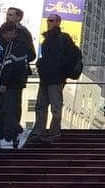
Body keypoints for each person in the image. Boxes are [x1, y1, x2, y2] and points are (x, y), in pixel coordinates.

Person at [27, 12, 81, 145]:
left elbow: (75, 55)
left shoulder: (63, 38)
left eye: (51, 20)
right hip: (47, 77)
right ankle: (40, 131)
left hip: (56, 77)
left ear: (58, 22)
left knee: (54, 107)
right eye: (48, 20)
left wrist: (59, 66)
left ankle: (53, 133)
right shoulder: (48, 39)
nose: (48, 22)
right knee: (41, 105)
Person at [0, 21, 34, 147]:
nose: (4, 37)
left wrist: (5, 82)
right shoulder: (12, 44)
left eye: (5, 34)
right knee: (5, 109)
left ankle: (16, 133)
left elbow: (13, 66)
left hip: (13, 82)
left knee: (9, 109)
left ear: (12, 32)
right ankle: (9, 136)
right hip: (11, 81)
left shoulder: (19, 45)